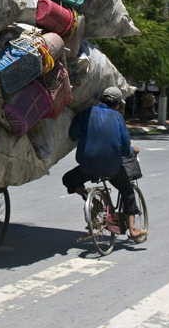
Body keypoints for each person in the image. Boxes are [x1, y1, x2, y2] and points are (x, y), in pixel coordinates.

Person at [62, 87, 147, 243]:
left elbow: (73, 135)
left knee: (68, 179)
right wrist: (131, 150)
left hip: (87, 165)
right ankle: (133, 229)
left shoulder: (85, 113)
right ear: (117, 104)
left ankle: (88, 198)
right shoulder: (118, 118)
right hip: (112, 168)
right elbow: (124, 148)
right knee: (127, 190)